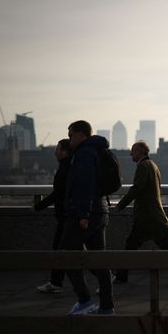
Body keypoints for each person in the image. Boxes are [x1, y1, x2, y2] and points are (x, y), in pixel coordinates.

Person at [112, 141, 168, 284]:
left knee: (162, 244)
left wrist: (120, 205)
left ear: (140, 151)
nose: (131, 154)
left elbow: (136, 189)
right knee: (161, 243)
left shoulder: (143, 166)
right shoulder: (153, 165)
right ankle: (122, 274)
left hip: (148, 215)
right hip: (151, 214)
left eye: (133, 151)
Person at [60, 120, 115, 315]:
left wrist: (82, 215)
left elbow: (84, 184)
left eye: (70, 135)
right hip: (100, 210)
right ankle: (107, 306)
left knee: (67, 255)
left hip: (85, 213)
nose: (69, 139)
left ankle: (84, 300)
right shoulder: (98, 150)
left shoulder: (84, 153)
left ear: (81, 134)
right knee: (100, 259)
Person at [34, 139, 72, 293]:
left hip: (67, 215)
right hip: (70, 214)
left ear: (64, 152)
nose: (55, 152)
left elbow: (58, 194)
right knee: (73, 249)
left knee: (59, 249)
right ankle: (56, 282)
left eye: (57, 149)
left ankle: (56, 282)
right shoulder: (70, 165)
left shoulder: (65, 168)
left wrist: (39, 206)